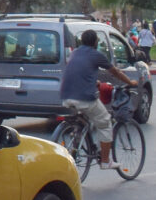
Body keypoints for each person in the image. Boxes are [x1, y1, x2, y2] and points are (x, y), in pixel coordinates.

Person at [59, 29, 137, 170]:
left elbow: (80, 73)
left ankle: (78, 134)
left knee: (87, 118)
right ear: (95, 42)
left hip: (66, 96)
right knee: (105, 122)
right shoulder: (96, 55)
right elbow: (115, 72)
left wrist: (96, 83)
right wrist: (130, 83)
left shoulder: (75, 53)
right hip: (84, 98)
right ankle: (106, 161)